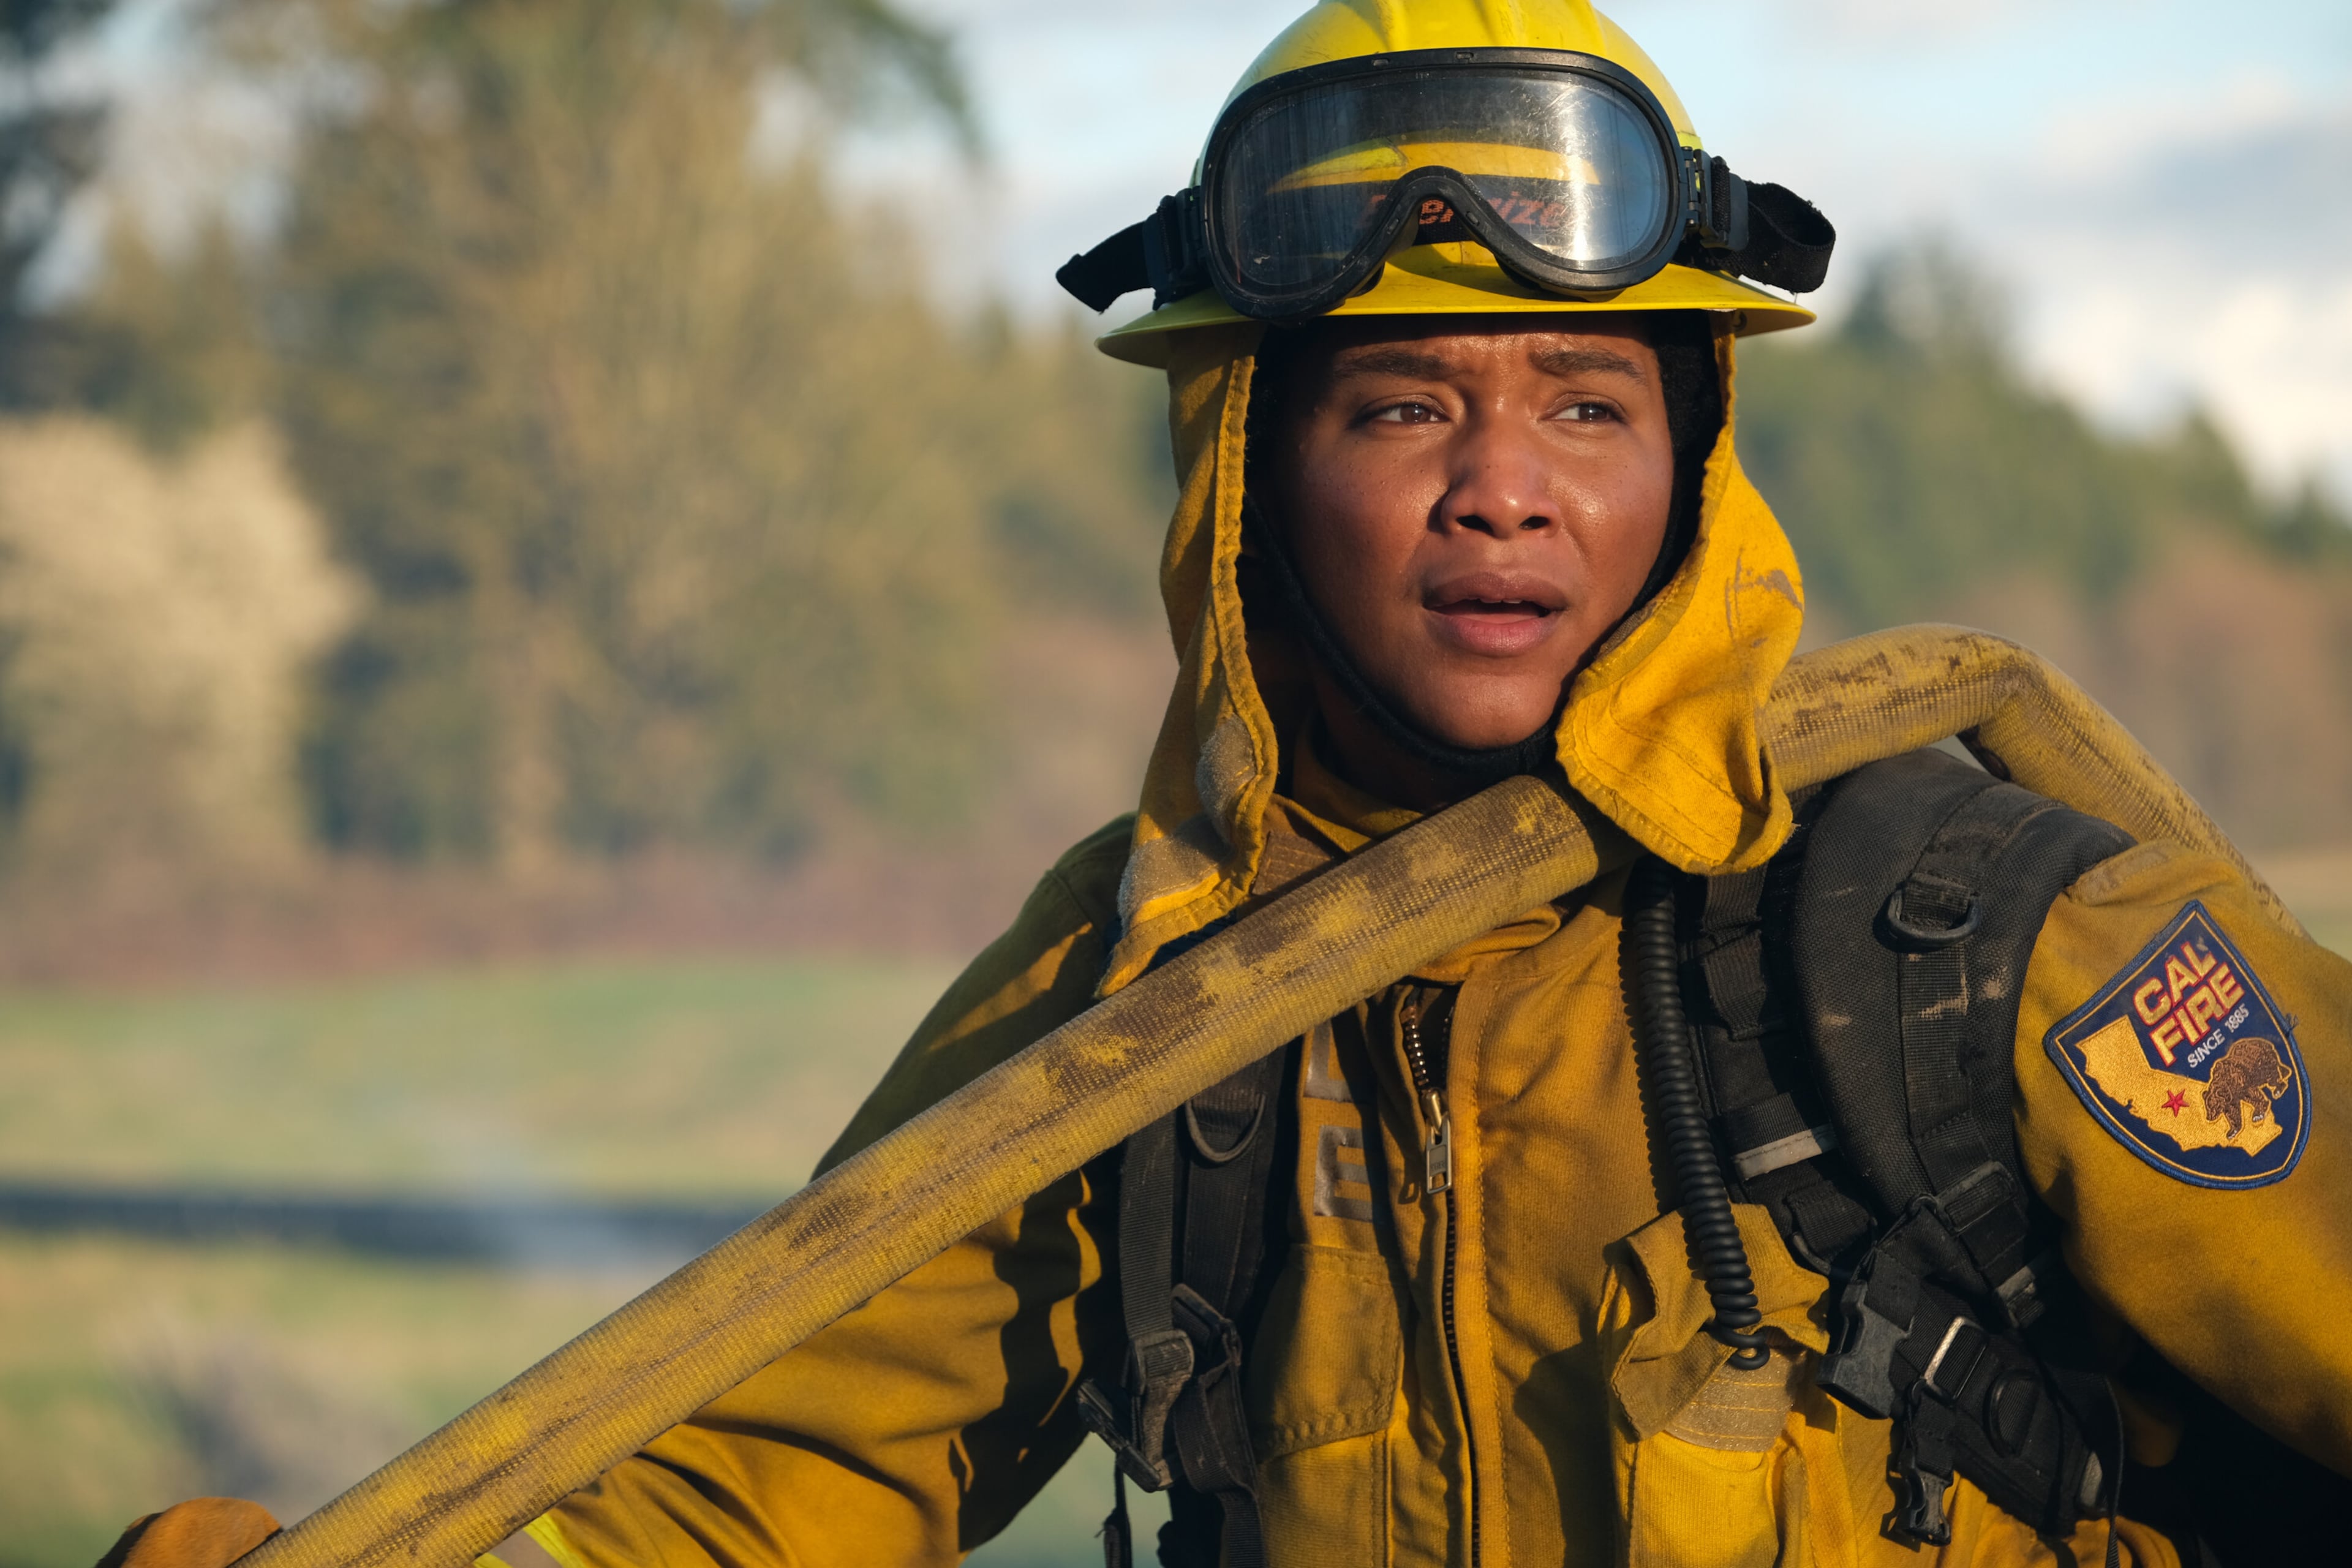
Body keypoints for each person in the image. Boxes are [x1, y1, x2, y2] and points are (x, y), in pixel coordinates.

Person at [107, 2, 2352, 1565]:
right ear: (1248, 480)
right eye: (1398, 411)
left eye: (1587, 404)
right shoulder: (1135, 998)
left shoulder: (1973, 938)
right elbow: (752, 1493)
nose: (1505, 494)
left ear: (1692, 465)